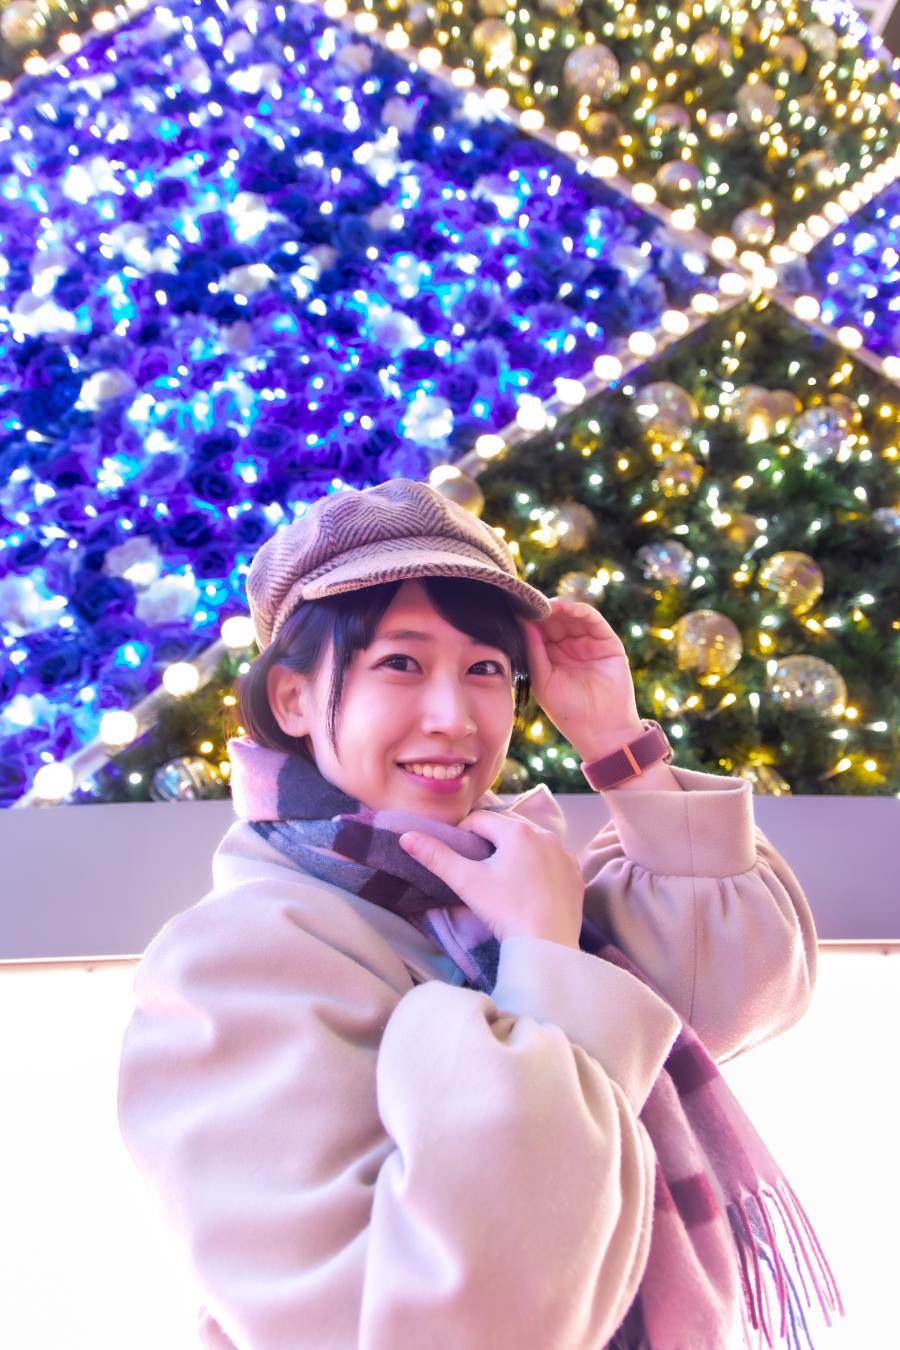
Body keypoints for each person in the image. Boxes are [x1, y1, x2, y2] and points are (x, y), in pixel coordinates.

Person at [117, 478, 841, 1350]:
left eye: (486, 670)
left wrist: (617, 743)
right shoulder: (231, 962)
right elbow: (437, 1321)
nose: (454, 716)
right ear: (293, 699)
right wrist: (542, 960)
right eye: (400, 663)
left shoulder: (510, 881)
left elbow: (733, 985)